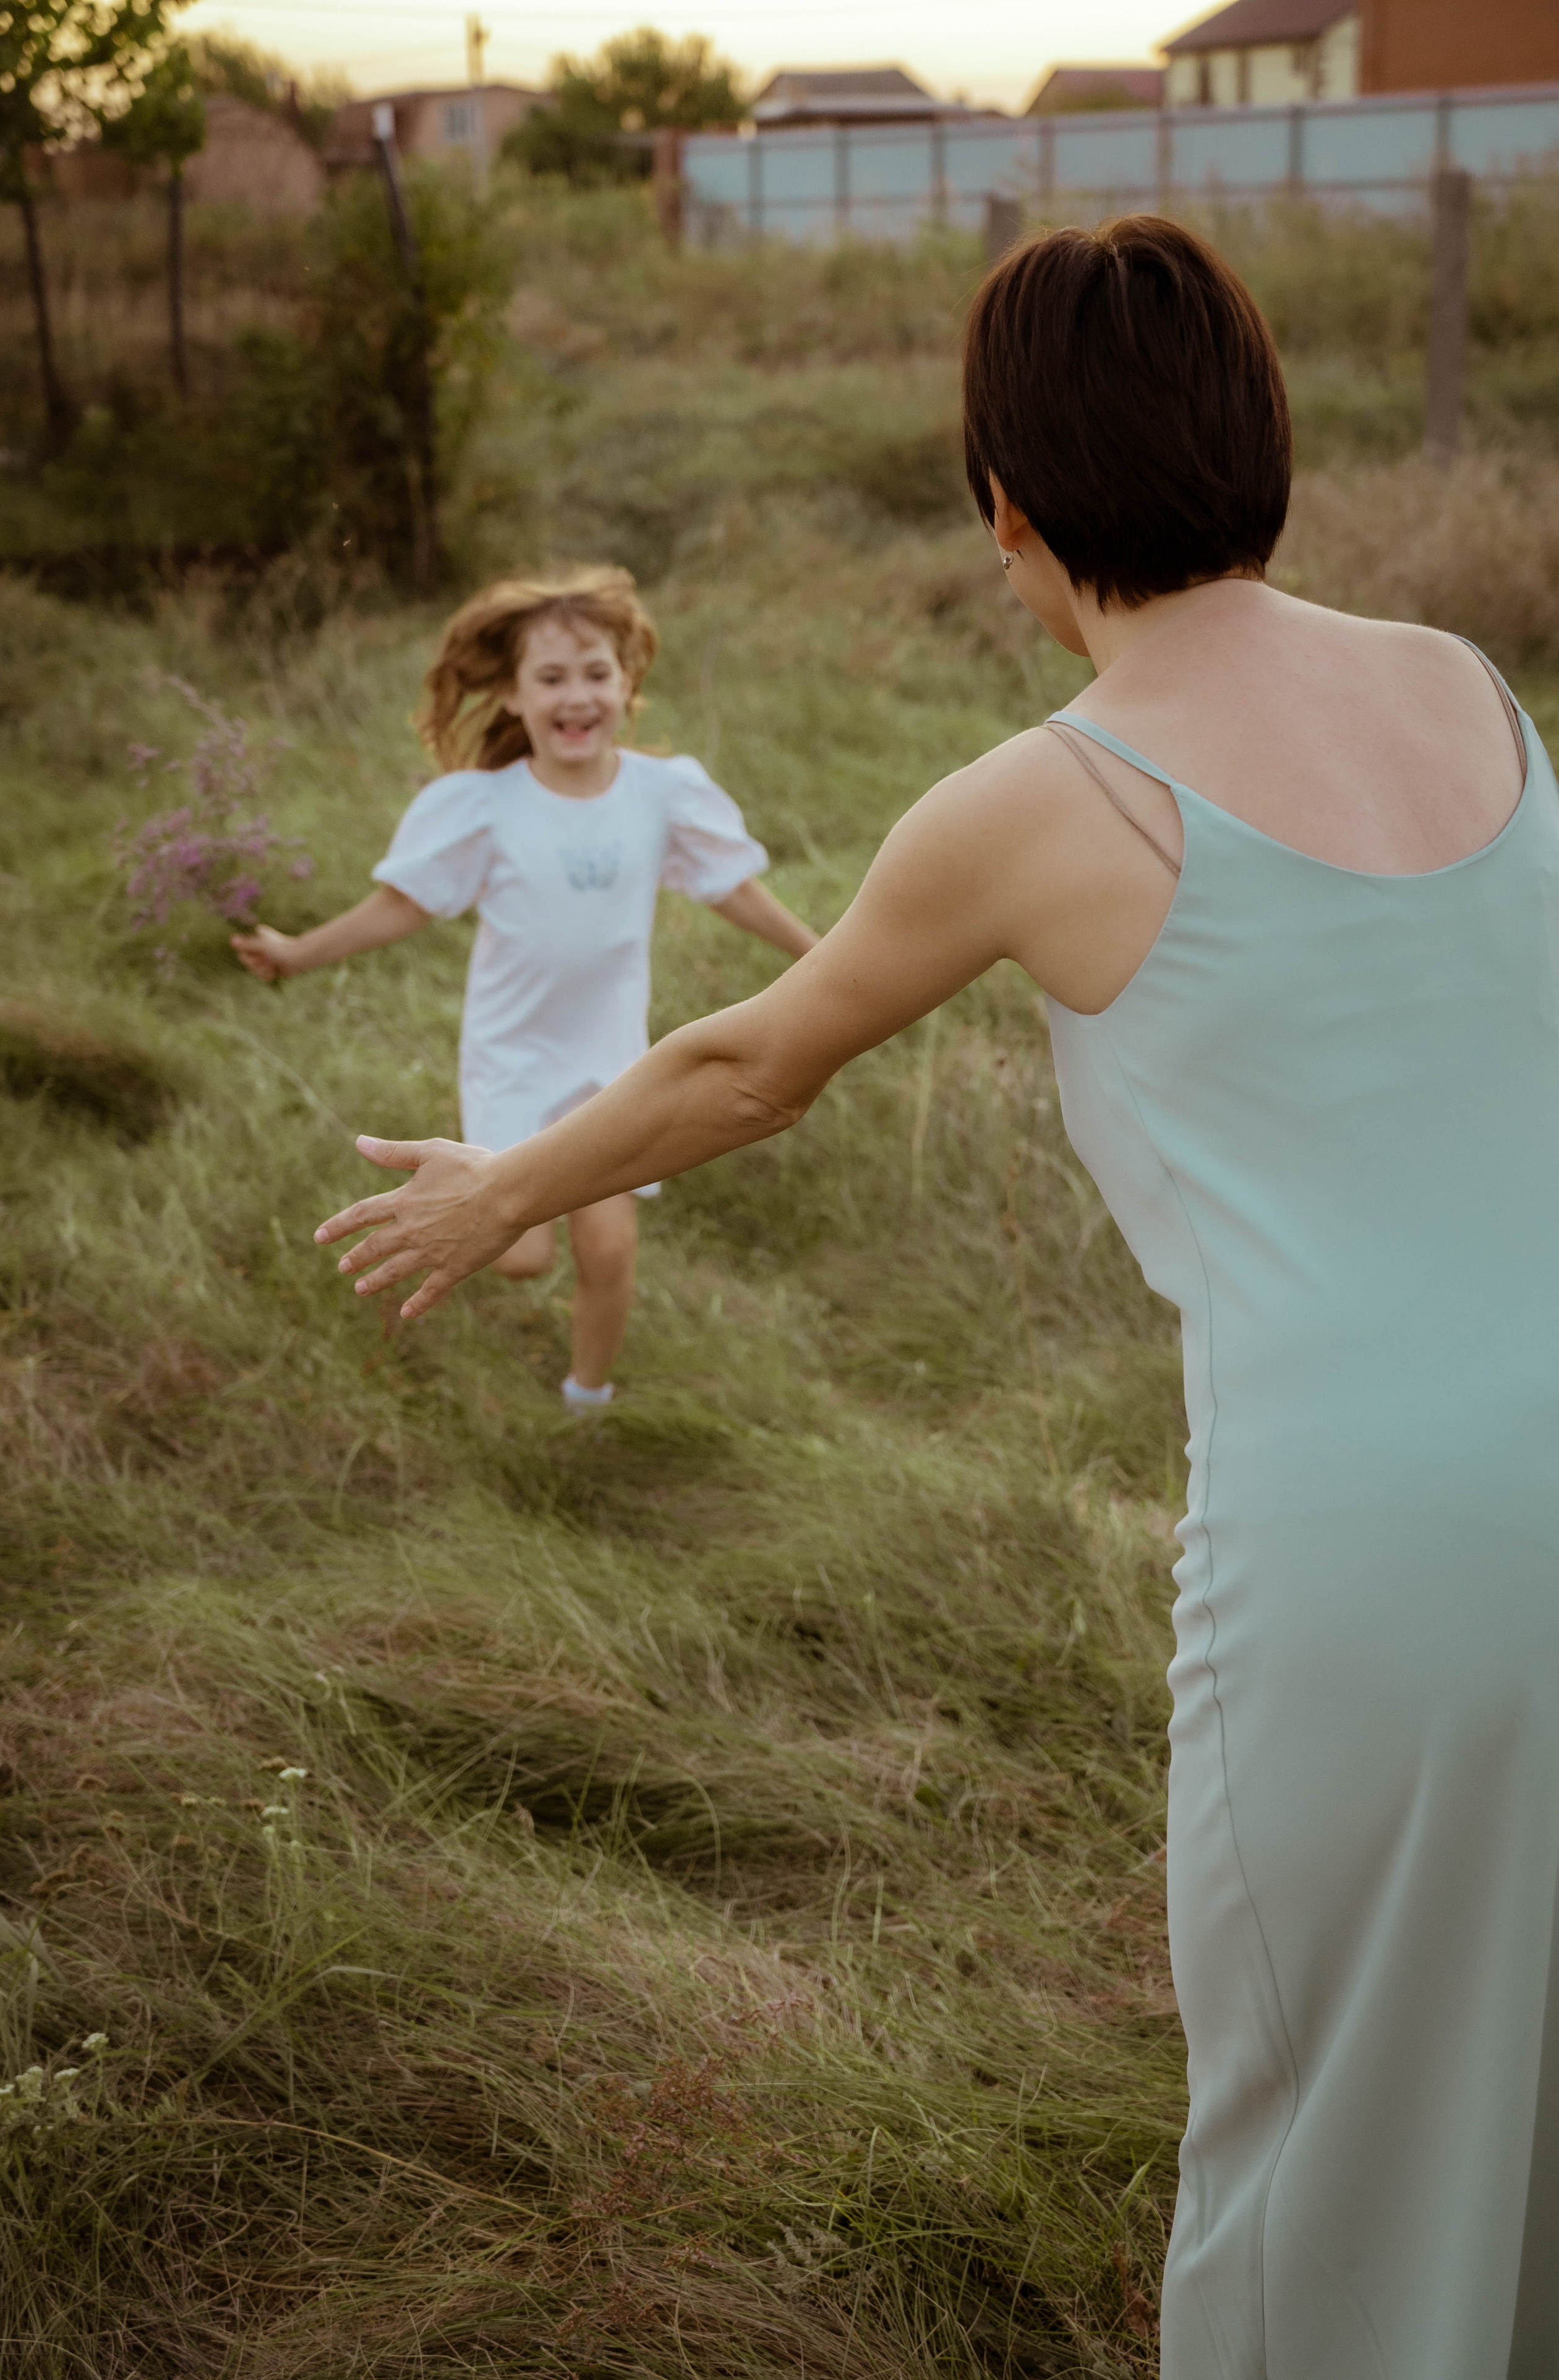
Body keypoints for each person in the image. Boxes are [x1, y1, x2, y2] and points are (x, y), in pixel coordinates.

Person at [315, 216, 1559, 2374]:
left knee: (1320, 2140)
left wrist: (501, 1179)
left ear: (1012, 501)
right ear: (1263, 431)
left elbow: (747, 1061)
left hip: (1379, 1543)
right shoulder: (1465, 685)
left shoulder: (1044, 795)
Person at [234, 567, 816, 1408]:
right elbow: (398, 907)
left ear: (626, 685)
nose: (576, 696)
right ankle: (500, 1204)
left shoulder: (663, 793)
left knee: (609, 1250)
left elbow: (734, 888)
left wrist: (823, 955)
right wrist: (296, 954)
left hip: (613, 1064)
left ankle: (588, 1399)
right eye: (551, 678)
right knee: (520, 1254)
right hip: (512, 1059)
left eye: (595, 674)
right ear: (511, 695)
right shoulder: (484, 807)